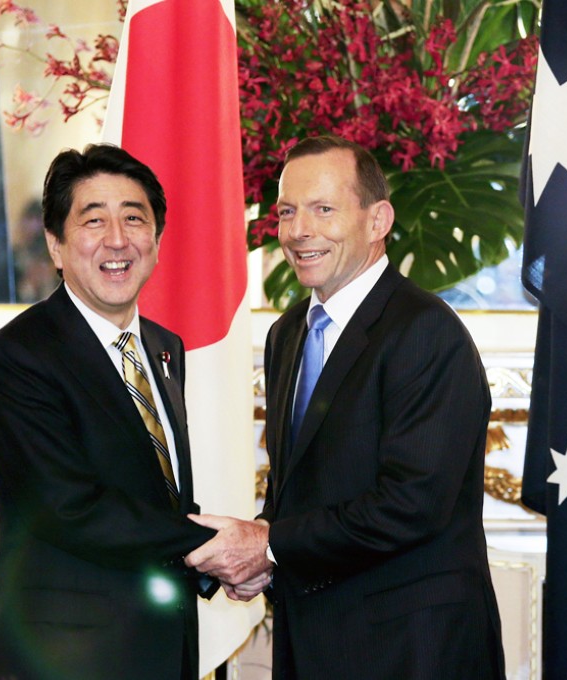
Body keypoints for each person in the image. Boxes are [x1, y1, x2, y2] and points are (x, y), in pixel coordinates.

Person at [186, 135, 505, 679]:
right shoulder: (288, 333)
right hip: (314, 642)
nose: (299, 230)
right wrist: (262, 549)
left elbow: (412, 503)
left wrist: (270, 543)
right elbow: (306, 486)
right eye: (288, 212)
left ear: (378, 220)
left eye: (323, 209)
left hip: (411, 651)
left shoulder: (424, 332)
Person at [0, 144, 217, 680]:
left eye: (134, 218)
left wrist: (218, 558)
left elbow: (158, 490)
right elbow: (71, 508)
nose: (117, 239)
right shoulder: (19, 355)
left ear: (156, 241)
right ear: (56, 246)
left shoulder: (164, 347)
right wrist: (217, 547)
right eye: (93, 220)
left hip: (163, 651)